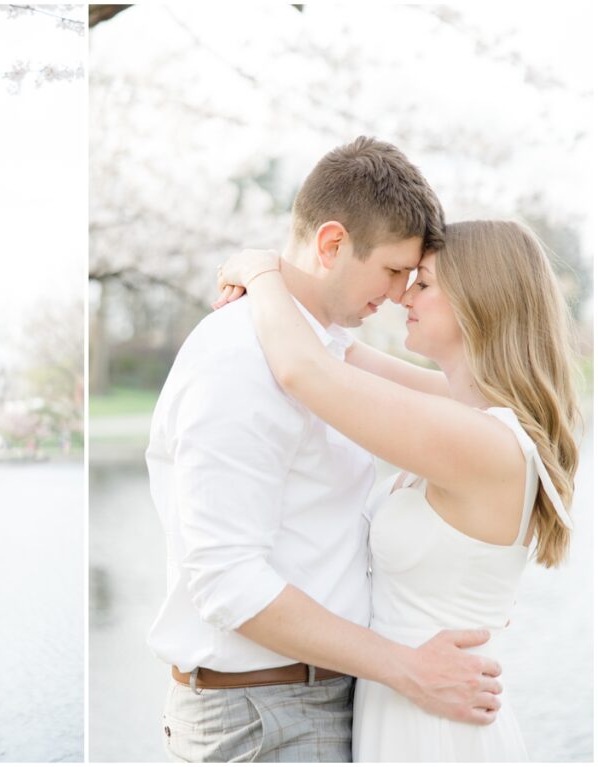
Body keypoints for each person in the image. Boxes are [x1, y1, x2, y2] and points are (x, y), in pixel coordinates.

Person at [146, 137, 504, 763]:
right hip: (265, 715)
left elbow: (470, 406)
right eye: (394, 270)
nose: (399, 294)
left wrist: (260, 270)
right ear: (333, 244)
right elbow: (228, 581)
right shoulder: (238, 359)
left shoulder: (323, 350)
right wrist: (407, 668)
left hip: (313, 700)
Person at [214, 221, 578, 760]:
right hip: (407, 700)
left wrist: (260, 270)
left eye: (424, 284)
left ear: (480, 301)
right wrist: (298, 282)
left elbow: (305, 372)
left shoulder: (484, 442)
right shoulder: (468, 413)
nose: (404, 295)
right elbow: (341, 355)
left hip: (435, 724)